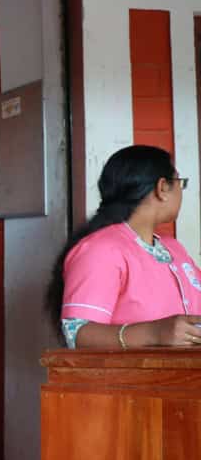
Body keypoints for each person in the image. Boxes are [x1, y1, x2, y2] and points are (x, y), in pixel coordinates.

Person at [47, 144, 201, 349]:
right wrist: (154, 333)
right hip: (131, 371)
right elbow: (78, 334)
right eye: (180, 183)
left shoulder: (174, 249)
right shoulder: (101, 250)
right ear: (162, 187)